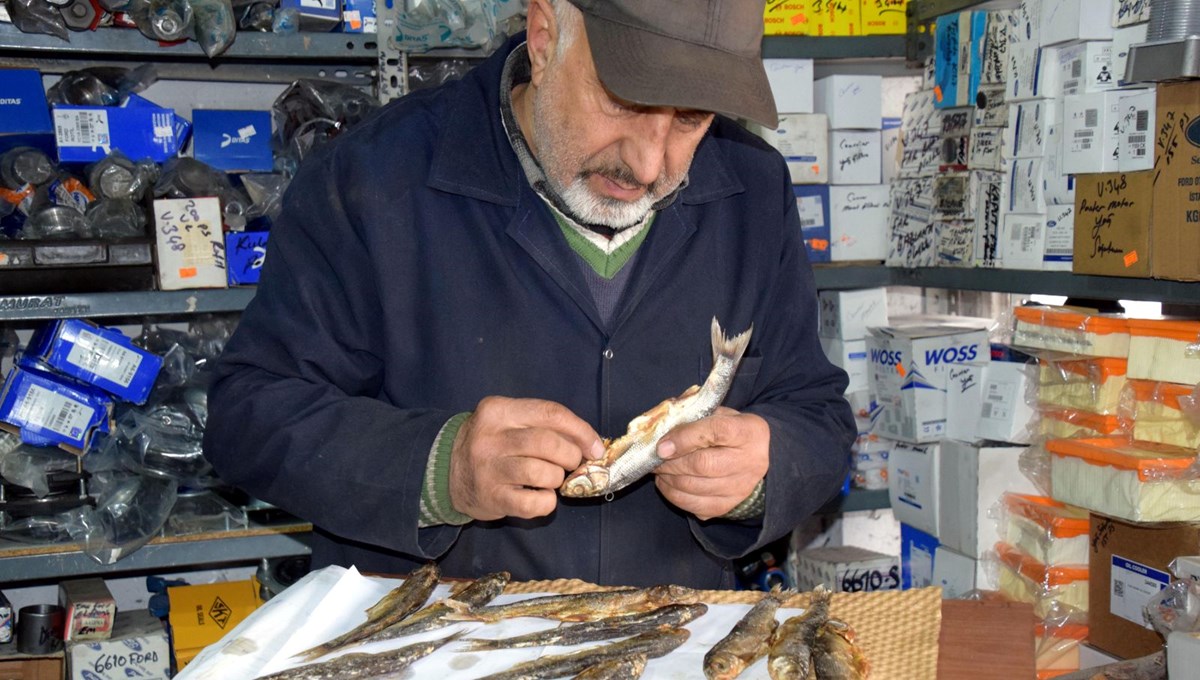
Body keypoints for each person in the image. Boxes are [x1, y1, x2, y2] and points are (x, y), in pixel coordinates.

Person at [204, 0, 855, 590]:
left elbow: (817, 413)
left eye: (690, 119)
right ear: (545, 39)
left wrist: (766, 468)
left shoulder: (754, 190)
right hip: (438, 645)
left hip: (666, 643)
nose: (650, 165)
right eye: (625, 103)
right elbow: (249, 415)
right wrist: (440, 468)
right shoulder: (376, 179)